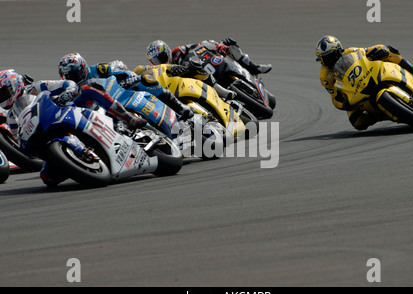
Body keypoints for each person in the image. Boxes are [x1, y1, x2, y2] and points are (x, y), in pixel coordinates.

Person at [0, 68, 146, 186]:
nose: (3, 98)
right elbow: (16, 137)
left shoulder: (35, 87)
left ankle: (128, 118)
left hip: (67, 112)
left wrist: (66, 93)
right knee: (47, 177)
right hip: (47, 132)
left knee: (88, 89)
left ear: (15, 84)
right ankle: (80, 163)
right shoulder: (12, 116)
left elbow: (67, 84)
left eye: (4, 93)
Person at [315, 35, 413, 131]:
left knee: (387, 49)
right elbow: (334, 98)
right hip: (353, 94)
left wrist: (379, 51)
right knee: (357, 123)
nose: (330, 60)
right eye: (326, 58)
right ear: (321, 59)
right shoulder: (325, 77)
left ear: (339, 50)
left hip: (367, 78)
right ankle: (378, 115)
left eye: (332, 56)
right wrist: (343, 104)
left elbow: (367, 51)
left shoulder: (350, 52)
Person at [57, 53, 194, 122]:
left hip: (121, 92)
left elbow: (120, 73)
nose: (72, 79)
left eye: (74, 75)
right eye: (68, 77)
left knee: (147, 82)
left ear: (82, 69)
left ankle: (181, 108)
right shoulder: (70, 89)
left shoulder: (99, 69)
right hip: (103, 111)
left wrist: (131, 79)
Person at [143, 39, 272, 100]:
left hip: (210, 65)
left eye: (160, 58)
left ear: (166, 51)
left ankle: (253, 67)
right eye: (155, 61)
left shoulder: (179, 52)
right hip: (202, 85)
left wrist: (219, 46)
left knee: (230, 47)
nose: (159, 62)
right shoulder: (165, 72)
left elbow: (200, 44)